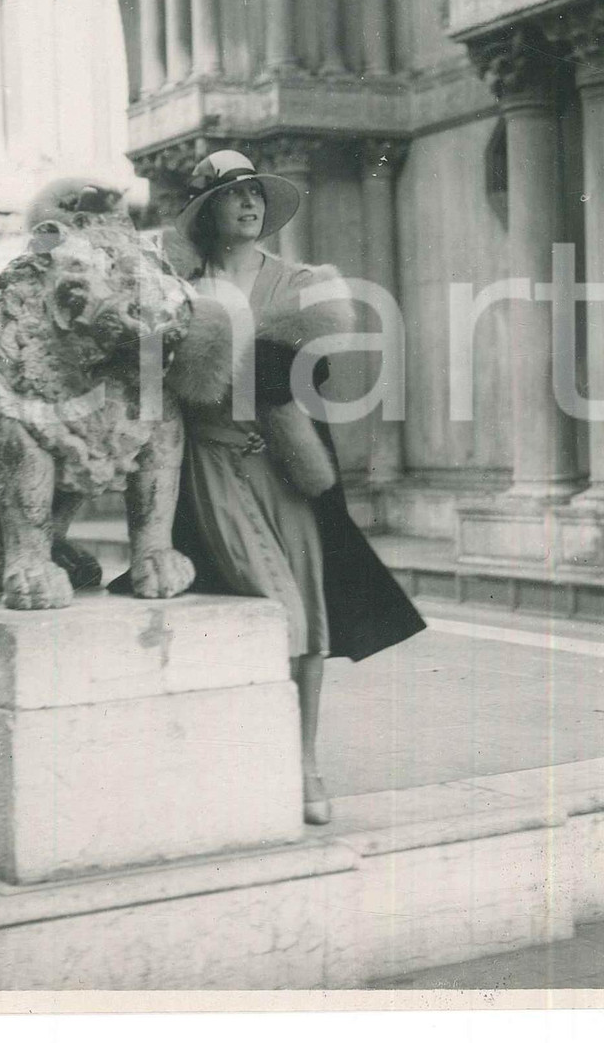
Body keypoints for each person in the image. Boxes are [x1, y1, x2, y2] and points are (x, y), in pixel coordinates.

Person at [114, 150, 425, 826]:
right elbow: (155, 386)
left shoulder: (301, 284)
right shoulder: (176, 288)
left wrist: (264, 364)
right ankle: (258, 758)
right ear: (207, 210)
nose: (249, 204)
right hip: (211, 465)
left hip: (288, 468)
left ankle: (304, 762)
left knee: (309, 616)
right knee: (279, 607)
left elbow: (312, 378)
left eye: (255, 192)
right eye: (234, 195)